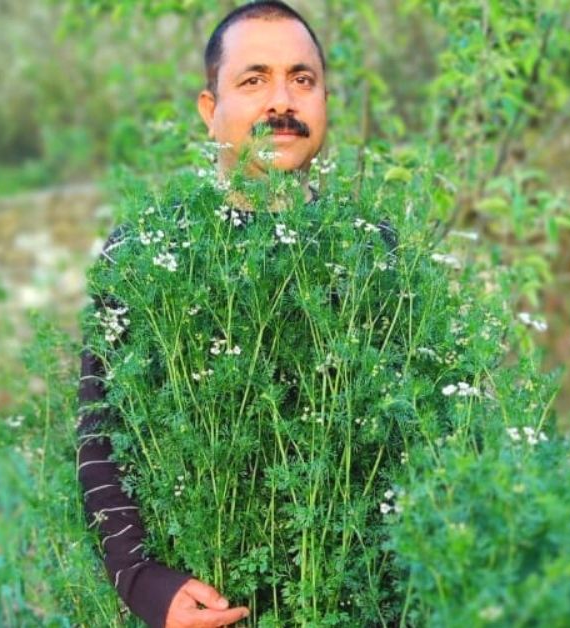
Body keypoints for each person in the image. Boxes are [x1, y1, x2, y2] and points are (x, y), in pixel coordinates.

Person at [77, 3, 377, 627]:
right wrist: (143, 581)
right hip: (201, 603)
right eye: (253, 80)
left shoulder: (372, 250)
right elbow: (100, 434)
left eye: (302, 79)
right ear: (210, 109)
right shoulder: (144, 253)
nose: (281, 101)